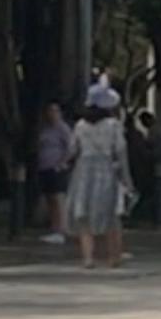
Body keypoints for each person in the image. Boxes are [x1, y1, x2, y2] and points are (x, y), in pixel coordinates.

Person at [67, 102, 133, 271]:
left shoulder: (80, 125)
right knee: (111, 215)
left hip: (83, 170)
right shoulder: (113, 125)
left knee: (84, 215)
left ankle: (88, 258)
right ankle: (114, 256)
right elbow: (120, 150)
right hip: (106, 169)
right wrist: (127, 180)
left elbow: (72, 149)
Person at [33, 103, 75, 245]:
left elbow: (70, 147)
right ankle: (54, 227)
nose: (52, 113)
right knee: (50, 198)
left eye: (55, 111)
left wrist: (62, 163)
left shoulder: (62, 129)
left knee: (58, 198)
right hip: (44, 167)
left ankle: (61, 229)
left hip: (56, 168)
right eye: (49, 110)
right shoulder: (45, 128)